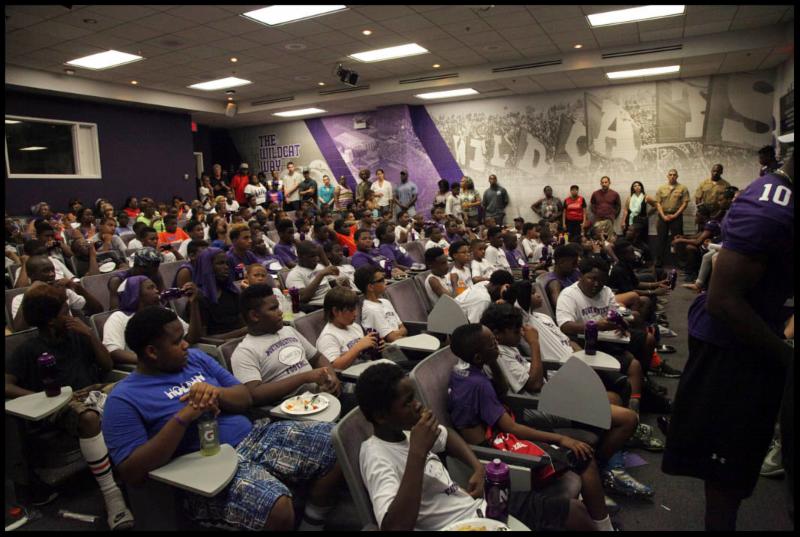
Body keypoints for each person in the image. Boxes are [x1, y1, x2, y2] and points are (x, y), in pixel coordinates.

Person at [102, 305, 341, 531]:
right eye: (177, 342)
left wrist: (216, 393)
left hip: (254, 436)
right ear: (152, 352)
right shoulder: (124, 399)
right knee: (277, 508)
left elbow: (244, 397)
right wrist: (184, 417)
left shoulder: (195, 359)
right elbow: (131, 473)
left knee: (337, 440)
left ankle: (312, 521)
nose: (186, 344)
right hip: (204, 470)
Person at [663, 155, 794, 531]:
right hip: (734, 351)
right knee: (726, 471)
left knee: (737, 470)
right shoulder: (770, 208)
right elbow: (724, 300)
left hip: (757, 336)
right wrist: (787, 360)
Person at [447, 323, 613, 531]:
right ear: (479, 358)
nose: (497, 344)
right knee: (584, 458)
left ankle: (594, 516)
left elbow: (501, 388)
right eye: (491, 343)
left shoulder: (463, 371)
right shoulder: (477, 384)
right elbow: (512, 428)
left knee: (577, 454)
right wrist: (562, 439)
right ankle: (604, 526)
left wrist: (494, 358)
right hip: (495, 449)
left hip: (494, 438)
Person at [6, 284, 134, 530]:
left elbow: (106, 365)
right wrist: (36, 397)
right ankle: (112, 495)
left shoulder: (78, 335)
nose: (71, 314)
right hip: (59, 403)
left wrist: (89, 334)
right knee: (88, 419)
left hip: (92, 390)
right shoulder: (28, 349)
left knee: (134, 391)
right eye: (65, 310)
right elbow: (7, 384)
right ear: (52, 320)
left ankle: (136, 470)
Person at [356, 362, 508, 531]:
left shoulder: (407, 430)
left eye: (413, 397)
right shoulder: (376, 457)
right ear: (381, 417)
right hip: (460, 524)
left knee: (541, 504)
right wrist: (418, 452)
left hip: (480, 508)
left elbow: (447, 435)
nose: (418, 405)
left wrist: (478, 468)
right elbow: (394, 527)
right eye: (407, 403)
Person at [556, 256, 661, 415]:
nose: (596, 284)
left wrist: (621, 322)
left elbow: (615, 312)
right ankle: (633, 409)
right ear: (581, 276)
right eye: (592, 279)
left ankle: (642, 385)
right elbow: (565, 326)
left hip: (610, 336)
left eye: (601, 280)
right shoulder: (569, 295)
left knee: (648, 338)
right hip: (586, 341)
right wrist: (595, 326)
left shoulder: (606, 291)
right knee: (634, 366)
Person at [231, 283, 341, 405]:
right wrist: (304, 378)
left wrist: (332, 377)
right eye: (273, 309)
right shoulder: (244, 352)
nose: (280, 312)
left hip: (319, 396)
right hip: (288, 409)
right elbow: (254, 394)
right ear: (254, 316)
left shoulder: (288, 330)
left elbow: (317, 357)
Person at [102, 275, 202, 366]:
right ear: (135, 294)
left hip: (177, 362)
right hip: (147, 370)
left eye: (156, 287)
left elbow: (192, 338)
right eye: (150, 288)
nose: (157, 291)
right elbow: (113, 352)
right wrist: (153, 360)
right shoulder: (118, 317)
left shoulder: (164, 312)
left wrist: (194, 303)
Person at [11, 255, 103, 332]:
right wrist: (28, 294)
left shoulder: (62, 291)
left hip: (68, 339)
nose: (52, 274)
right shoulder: (19, 299)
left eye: (52, 270)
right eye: (45, 271)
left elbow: (97, 309)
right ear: (30, 275)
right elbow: (19, 330)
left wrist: (76, 287)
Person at [316, 286, 379, 372]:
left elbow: (363, 355)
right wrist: (358, 347)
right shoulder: (327, 337)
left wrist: (375, 346)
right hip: (350, 381)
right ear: (335, 311)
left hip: (367, 369)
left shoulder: (354, 326)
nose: (356, 314)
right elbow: (333, 367)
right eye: (351, 310)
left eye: (355, 309)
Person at [193, 247, 246, 339]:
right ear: (207, 267)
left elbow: (243, 322)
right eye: (220, 263)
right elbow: (204, 340)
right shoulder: (198, 299)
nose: (226, 267)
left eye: (226, 263)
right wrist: (243, 332)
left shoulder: (232, 292)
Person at [354, 265, 408, 343]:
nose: (385, 281)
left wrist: (397, 333)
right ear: (370, 287)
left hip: (403, 342)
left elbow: (404, 329)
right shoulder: (371, 310)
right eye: (381, 280)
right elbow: (391, 338)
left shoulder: (385, 302)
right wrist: (399, 333)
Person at [653, 170, 690, 268]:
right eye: (670, 175)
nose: (672, 176)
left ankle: (681, 262)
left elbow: (685, 203)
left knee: (678, 239)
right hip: (663, 216)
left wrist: (675, 215)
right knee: (661, 239)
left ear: (677, 176)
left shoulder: (683, 188)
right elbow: (657, 203)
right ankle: (659, 262)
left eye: (674, 175)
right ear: (667, 176)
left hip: (676, 216)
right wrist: (663, 215)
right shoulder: (661, 188)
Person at [285, 241, 339, 308]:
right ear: (301, 257)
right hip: (316, 306)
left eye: (317, 255)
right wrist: (320, 275)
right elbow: (303, 298)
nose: (317, 259)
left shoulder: (319, 266)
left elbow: (334, 285)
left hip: (332, 300)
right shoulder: (294, 274)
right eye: (312, 256)